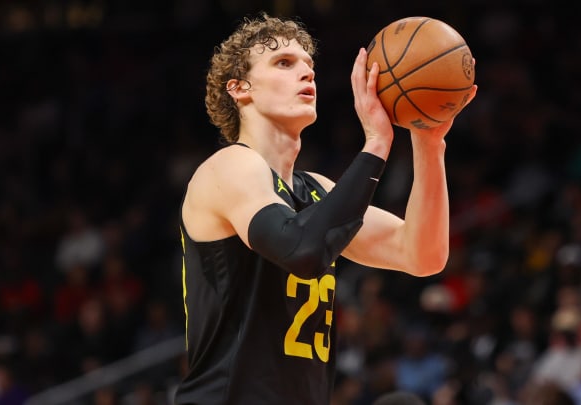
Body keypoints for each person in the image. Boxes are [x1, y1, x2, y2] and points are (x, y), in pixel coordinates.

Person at [175, 13, 477, 405]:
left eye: (309, 65)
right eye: (284, 63)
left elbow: (422, 254)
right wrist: (376, 145)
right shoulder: (229, 167)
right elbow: (302, 250)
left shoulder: (317, 190)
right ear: (240, 89)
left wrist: (428, 141)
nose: (306, 73)